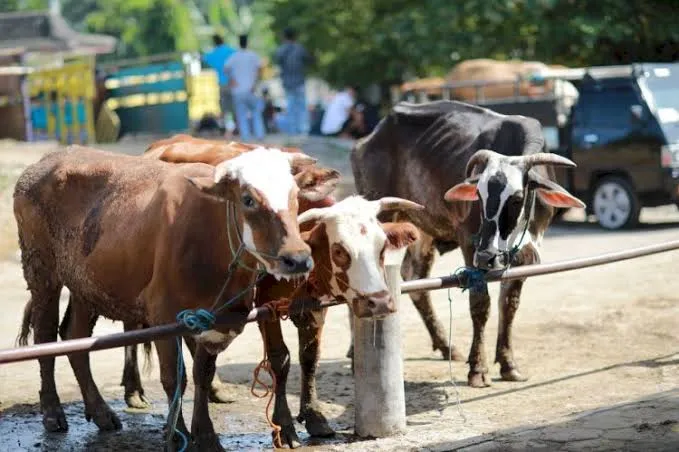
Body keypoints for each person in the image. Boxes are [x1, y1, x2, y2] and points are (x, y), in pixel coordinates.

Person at [273, 27, 314, 135]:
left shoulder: (281, 50)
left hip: (287, 82)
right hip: (299, 81)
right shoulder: (300, 48)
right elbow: (309, 60)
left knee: (290, 106)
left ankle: (292, 130)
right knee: (301, 106)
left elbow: (277, 61)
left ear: (284, 36)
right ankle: (303, 130)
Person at [224, 34, 265, 142]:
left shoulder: (234, 56)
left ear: (239, 43)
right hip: (251, 89)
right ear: (248, 42)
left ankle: (245, 137)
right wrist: (255, 83)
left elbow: (225, 69)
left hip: (238, 90)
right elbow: (260, 69)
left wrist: (232, 80)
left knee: (241, 114)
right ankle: (259, 134)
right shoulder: (253, 55)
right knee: (256, 111)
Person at [202, 34, 236, 133]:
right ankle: (238, 127)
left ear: (214, 42)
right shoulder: (231, 51)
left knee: (225, 108)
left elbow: (204, 58)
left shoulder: (213, 54)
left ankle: (229, 129)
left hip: (221, 83)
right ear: (223, 40)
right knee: (235, 106)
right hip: (234, 82)